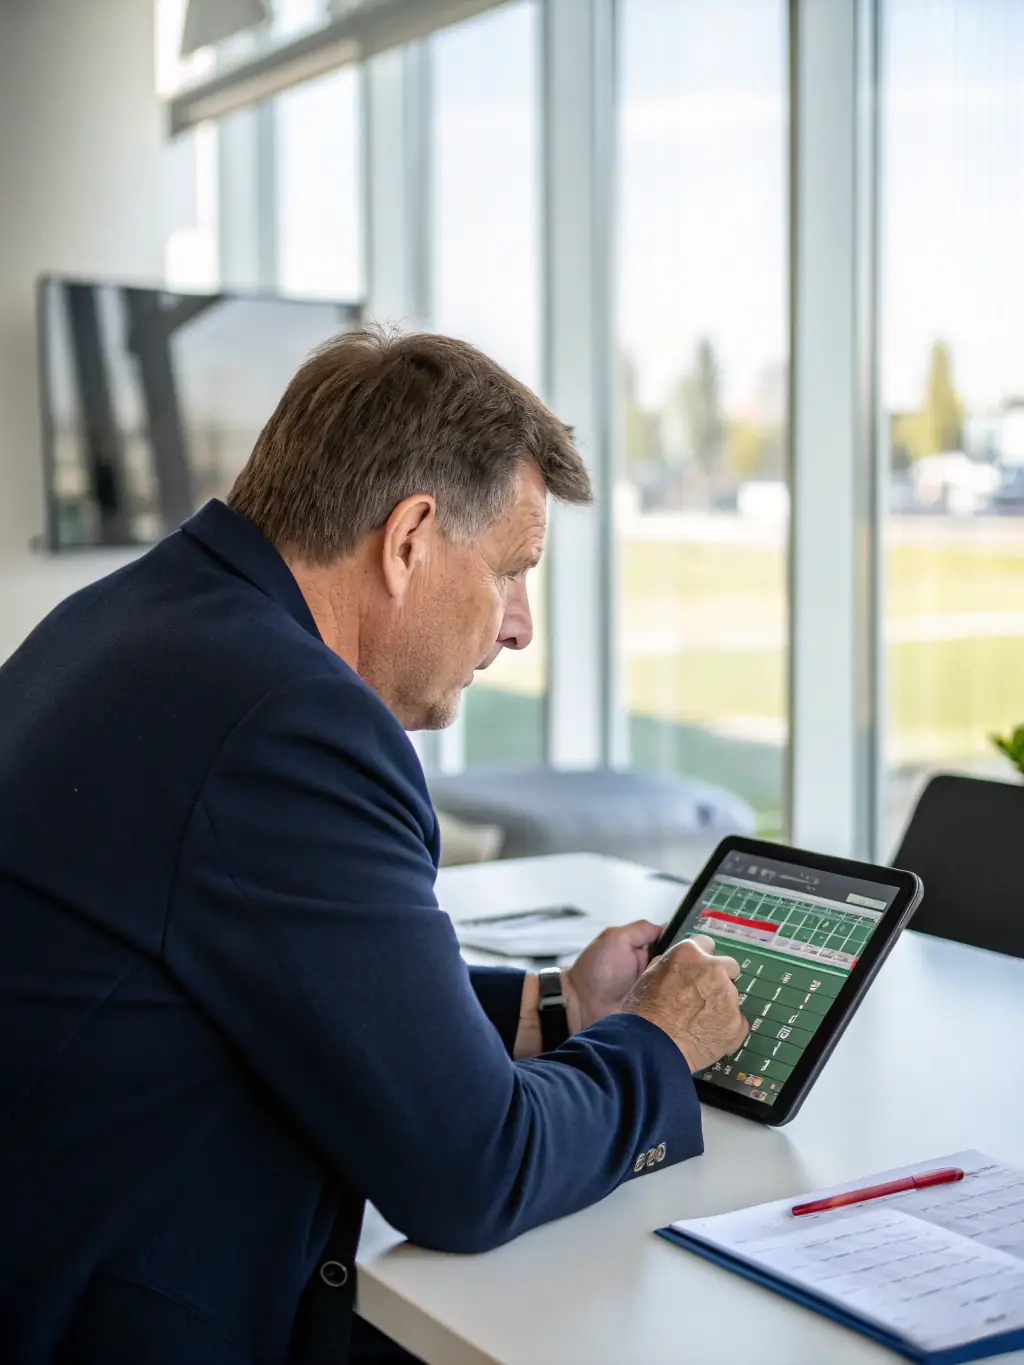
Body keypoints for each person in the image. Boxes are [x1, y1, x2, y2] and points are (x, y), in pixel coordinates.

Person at [0, 329, 748, 1365]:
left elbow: (284, 975)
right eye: (512, 572)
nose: (520, 627)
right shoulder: (288, 720)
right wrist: (659, 1042)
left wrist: (559, 1007)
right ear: (408, 540)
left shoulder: (124, 620)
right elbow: (473, 1172)